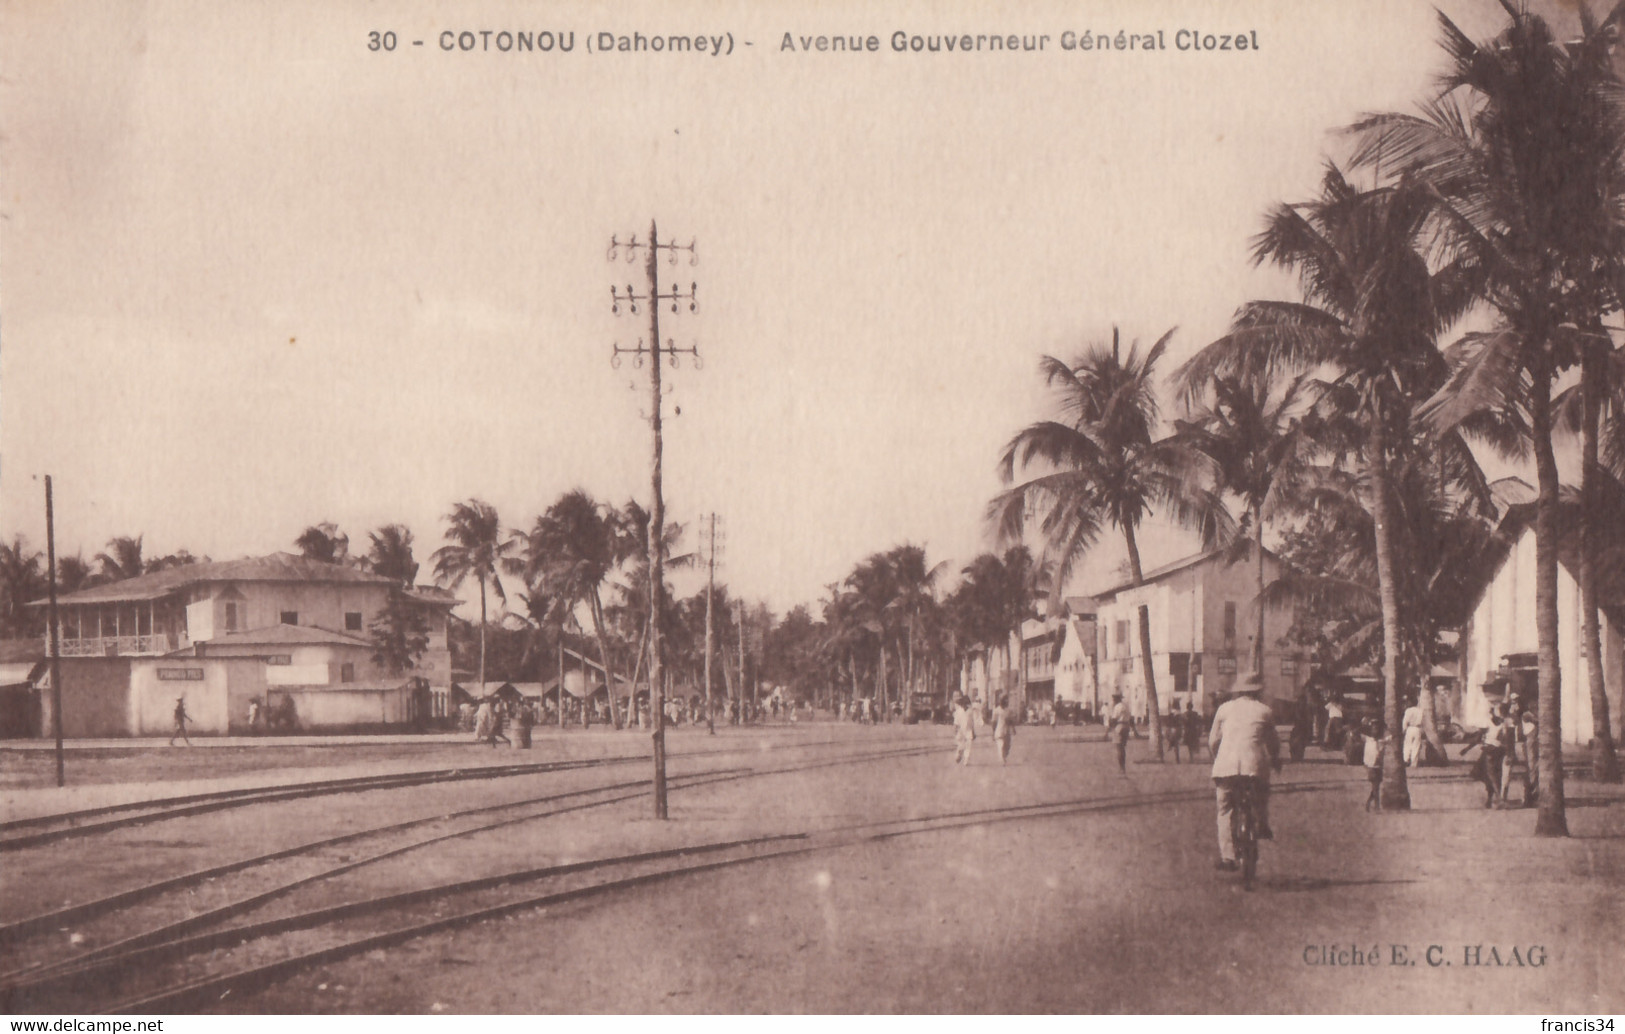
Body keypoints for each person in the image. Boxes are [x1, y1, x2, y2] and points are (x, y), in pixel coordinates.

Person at [1208, 675, 1279, 871]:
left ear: (1238, 691)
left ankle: (1228, 857)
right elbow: (1273, 743)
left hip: (1225, 768)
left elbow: (1213, 741)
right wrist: (1276, 759)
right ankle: (1262, 824)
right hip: (1253, 768)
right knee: (1262, 794)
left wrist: (1217, 758)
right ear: (1258, 691)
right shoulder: (1265, 711)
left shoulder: (1224, 709)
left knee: (1225, 811)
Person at [1362, 719, 1385, 811]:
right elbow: (1357, 732)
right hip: (1371, 766)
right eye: (1373, 728)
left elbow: (1393, 737)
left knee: (1376, 786)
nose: (1375, 730)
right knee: (1375, 786)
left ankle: (1368, 803)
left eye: (1377, 728)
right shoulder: (1368, 740)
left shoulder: (1381, 741)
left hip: (1379, 766)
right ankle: (1377, 806)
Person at [1108, 694, 1132, 774]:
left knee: (1119, 748)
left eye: (1114, 699)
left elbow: (1114, 719)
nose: (1113, 700)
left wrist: (1110, 727)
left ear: (1116, 699)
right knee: (1122, 748)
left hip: (1119, 726)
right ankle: (1123, 767)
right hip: (1126, 726)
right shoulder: (1126, 706)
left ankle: (1122, 768)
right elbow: (1131, 718)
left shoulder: (1117, 707)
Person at [952, 695, 976, 766]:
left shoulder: (970, 711)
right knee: (961, 746)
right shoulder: (958, 712)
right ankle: (959, 754)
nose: (964, 705)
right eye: (963, 703)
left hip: (968, 731)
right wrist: (955, 730)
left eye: (966, 703)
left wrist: (973, 731)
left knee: (968, 746)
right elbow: (956, 723)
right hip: (960, 731)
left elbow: (972, 722)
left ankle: (966, 760)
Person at [1402, 697, 1424, 767]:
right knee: (1416, 746)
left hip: (1410, 728)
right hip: (1418, 728)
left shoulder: (1408, 710)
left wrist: (1404, 729)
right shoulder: (1420, 711)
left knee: (1407, 745)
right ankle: (1414, 763)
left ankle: (1406, 760)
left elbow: (1405, 721)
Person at [991, 694, 1014, 765]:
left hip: (1006, 730)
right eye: (1003, 700)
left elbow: (1011, 720)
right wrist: (993, 732)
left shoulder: (1009, 710)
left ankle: (1004, 756)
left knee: (1007, 746)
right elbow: (994, 722)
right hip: (999, 730)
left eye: (1006, 701)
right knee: (1000, 745)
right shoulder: (996, 711)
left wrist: (1013, 728)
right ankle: (1002, 759)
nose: (1006, 702)